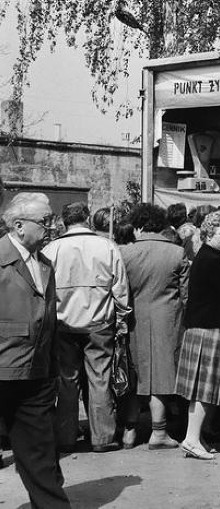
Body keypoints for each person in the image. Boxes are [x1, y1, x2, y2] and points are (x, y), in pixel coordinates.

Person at [0, 193, 72, 508]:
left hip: (36, 373)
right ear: (18, 226)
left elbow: (49, 319)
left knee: (41, 450)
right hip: (4, 367)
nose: (53, 226)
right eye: (44, 221)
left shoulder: (44, 264)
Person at [42, 202, 131, 453]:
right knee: (99, 378)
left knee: (67, 381)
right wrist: (122, 318)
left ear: (64, 221)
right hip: (99, 322)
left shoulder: (52, 248)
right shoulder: (107, 247)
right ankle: (102, 437)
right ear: (88, 218)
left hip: (63, 323)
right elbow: (120, 288)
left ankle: (66, 436)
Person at [175, 210, 220, 460]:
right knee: (206, 389)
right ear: (208, 233)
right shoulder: (215, 261)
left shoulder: (204, 257)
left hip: (201, 329)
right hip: (213, 331)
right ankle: (192, 439)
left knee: (200, 389)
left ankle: (195, 437)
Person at [121, 203, 189, 450]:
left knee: (133, 372)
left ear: (138, 226)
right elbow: (186, 294)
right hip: (168, 318)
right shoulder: (177, 253)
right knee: (161, 371)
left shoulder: (125, 253)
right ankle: (158, 431)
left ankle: (129, 431)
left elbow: (120, 292)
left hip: (133, 318)